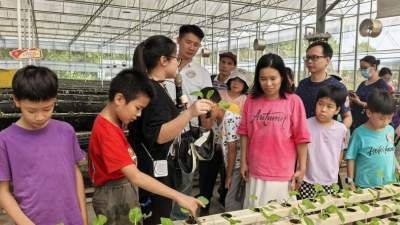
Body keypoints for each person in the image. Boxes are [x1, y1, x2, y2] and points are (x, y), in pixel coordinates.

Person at [88, 68, 204, 225]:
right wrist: (179, 196)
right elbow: (135, 176)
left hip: (123, 189)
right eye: (138, 108)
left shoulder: (115, 122)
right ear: (119, 99)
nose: (139, 114)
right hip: (114, 195)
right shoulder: (107, 132)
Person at [129, 35, 212, 225]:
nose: (178, 63)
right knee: (157, 217)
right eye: (176, 58)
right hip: (154, 170)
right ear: (163, 61)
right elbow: (158, 135)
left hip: (156, 168)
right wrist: (189, 113)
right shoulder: (152, 91)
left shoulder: (156, 87)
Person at [0, 65, 88, 225]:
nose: (40, 117)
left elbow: (75, 172)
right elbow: (2, 192)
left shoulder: (66, 131)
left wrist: (83, 217)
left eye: (47, 108)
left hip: (72, 219)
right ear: (16, 101)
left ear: (55, 100)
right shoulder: (5, 140)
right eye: (31, 111)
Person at [238, 53, 310, 208]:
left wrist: (302, 168)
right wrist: (243, 161)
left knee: (279, 216)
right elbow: (244, 133)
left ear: (282, 77)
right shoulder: (251, 101)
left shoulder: (293, 101)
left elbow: (301, 138)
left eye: (273, 78)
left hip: (282, 173)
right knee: (255, 213)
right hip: (256, 170)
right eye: (263, 79)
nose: (268, 83)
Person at [167, 24, 214, 220]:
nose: (192, 47)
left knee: (185, 179)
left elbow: (209, 108)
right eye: (188, 42)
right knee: (161, 179)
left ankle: (179, 219)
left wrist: (206, 134)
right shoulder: (163, 65)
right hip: (163, 132)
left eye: (196, 45)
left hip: (187, 135)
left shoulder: (202, 73)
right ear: (178, 40)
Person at [198, 87, 244, 212]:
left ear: (216, 104)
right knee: (207, 175)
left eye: (207, 111)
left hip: (236, 162)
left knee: (230, 195)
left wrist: (228, 176)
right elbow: (206, 130)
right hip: (224, 156)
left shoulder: (229, 119)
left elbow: (232, 152)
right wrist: (206, 120)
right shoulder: (214, 117)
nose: (206, 115)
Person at [299, 85, 348, 199]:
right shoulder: (305, 125)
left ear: (337, 110)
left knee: (327, 212)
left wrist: (336, 168)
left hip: (330, 180)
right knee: (308, 211)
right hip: (308, 179)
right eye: (320, 104)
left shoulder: (341, 129)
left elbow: (340, 151)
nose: (323, 109)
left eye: (329, 106)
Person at [346, 90, 399, 189]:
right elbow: (351, 158)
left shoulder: (390, 130)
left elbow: (390, 150)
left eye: (390, 118)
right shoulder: (359, 134)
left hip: (389, 183)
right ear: (369, 113)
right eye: (382, 118)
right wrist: (350, 180)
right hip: (366, 186)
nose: (386, 122)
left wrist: (397, 165)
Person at [296, 41, 352, 129]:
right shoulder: (302, 84)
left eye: (315, 57)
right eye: (307, 57)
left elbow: (347, 117)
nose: (309, 61)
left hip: (326, 136)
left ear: (327, 60)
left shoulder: (338, 86)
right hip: (303, 135)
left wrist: (340, 133)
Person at [349, 55, 388, 132]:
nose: (363, 70)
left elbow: (381, 105)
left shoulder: (381, 84)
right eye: (361, 68)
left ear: (373, 66)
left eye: (365, 68)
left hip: (369, 123)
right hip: (356, 120)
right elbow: (357, 97)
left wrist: (360, 103)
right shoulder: (363, 83)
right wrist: (352, 100)